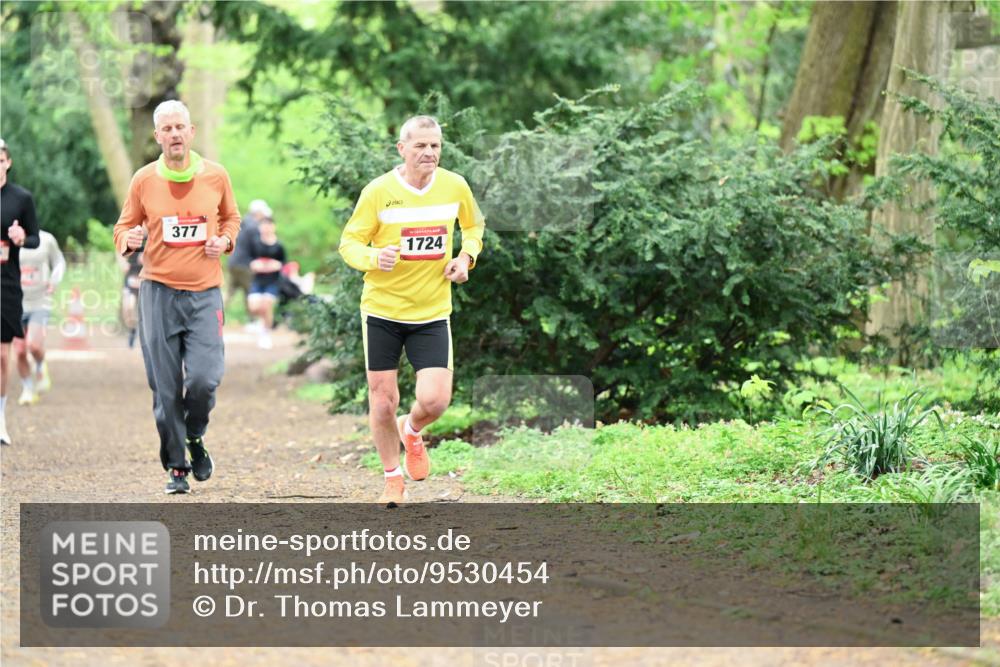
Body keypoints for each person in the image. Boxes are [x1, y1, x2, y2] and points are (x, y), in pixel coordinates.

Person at [338, 115, 485, 507]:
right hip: (383, 310)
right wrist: (373, 256)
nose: (429, 153)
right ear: (402, 149)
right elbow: (349, 243)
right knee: (382, 400)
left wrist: (466, 257)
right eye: (420, 145)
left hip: (432, 311)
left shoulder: (455, 186)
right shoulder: (379, 192)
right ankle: (391, 478)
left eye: (435, 145)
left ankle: (413, 430)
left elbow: (474, 227)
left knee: (435, 401)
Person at [112, 100, 241, 494]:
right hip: (158, 294)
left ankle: (194, 434)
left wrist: (225, 239)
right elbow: (123, 227)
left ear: (192, 131)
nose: (174, 135)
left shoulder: (216, 177)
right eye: (166, 129)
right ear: (157, 137)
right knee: (165, 387)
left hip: (204, 294)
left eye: (179, 127)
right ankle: (177, 468)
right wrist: (128, 240)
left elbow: (232, 218)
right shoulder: (143, 180)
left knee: (204, 379)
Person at [0, 138, 41, 445]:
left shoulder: (21, 198)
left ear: (8, 162)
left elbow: (35, 240)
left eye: (0, 160)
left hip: (6, 285)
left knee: (2, 357)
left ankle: (0, 420)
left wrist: (20, 237)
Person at [14, 228, 65, 405]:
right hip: (15, 302)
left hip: (40, 301)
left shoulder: (46, 239)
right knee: (19, 351)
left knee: (33, 345)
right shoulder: (8, 239)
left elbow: (59, 261)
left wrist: (54, 281)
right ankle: (28, 389)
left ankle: (40, 365)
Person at [227, 198, 270, 323]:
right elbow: (256, 247)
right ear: (258, 213)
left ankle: (214, 318)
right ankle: (252, 320)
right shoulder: (254, 227)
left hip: (233, 261)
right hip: (244, 264)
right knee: (250, 293)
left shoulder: (243, 222)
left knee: (230, 292)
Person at [246, 215, 285, 349]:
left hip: (273, 281)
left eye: (269, 225)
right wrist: (255, 265)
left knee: (266, 306)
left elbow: (283, 263)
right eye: (263, 226)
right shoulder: (255, 243)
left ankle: (265, 334)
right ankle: (261, 322)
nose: (266, 228)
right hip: (257, 280)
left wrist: (275, 265)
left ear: (273, 227)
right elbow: (249, 260)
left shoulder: (279, 246)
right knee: (254, 307)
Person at [120, 250, 143, 348]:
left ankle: (143, 334)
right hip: (130, 277)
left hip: (144, 276)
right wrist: (122, 261)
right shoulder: (130, 235)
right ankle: (132, 329)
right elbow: (118, 249)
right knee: (128, 308)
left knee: (144, 310)